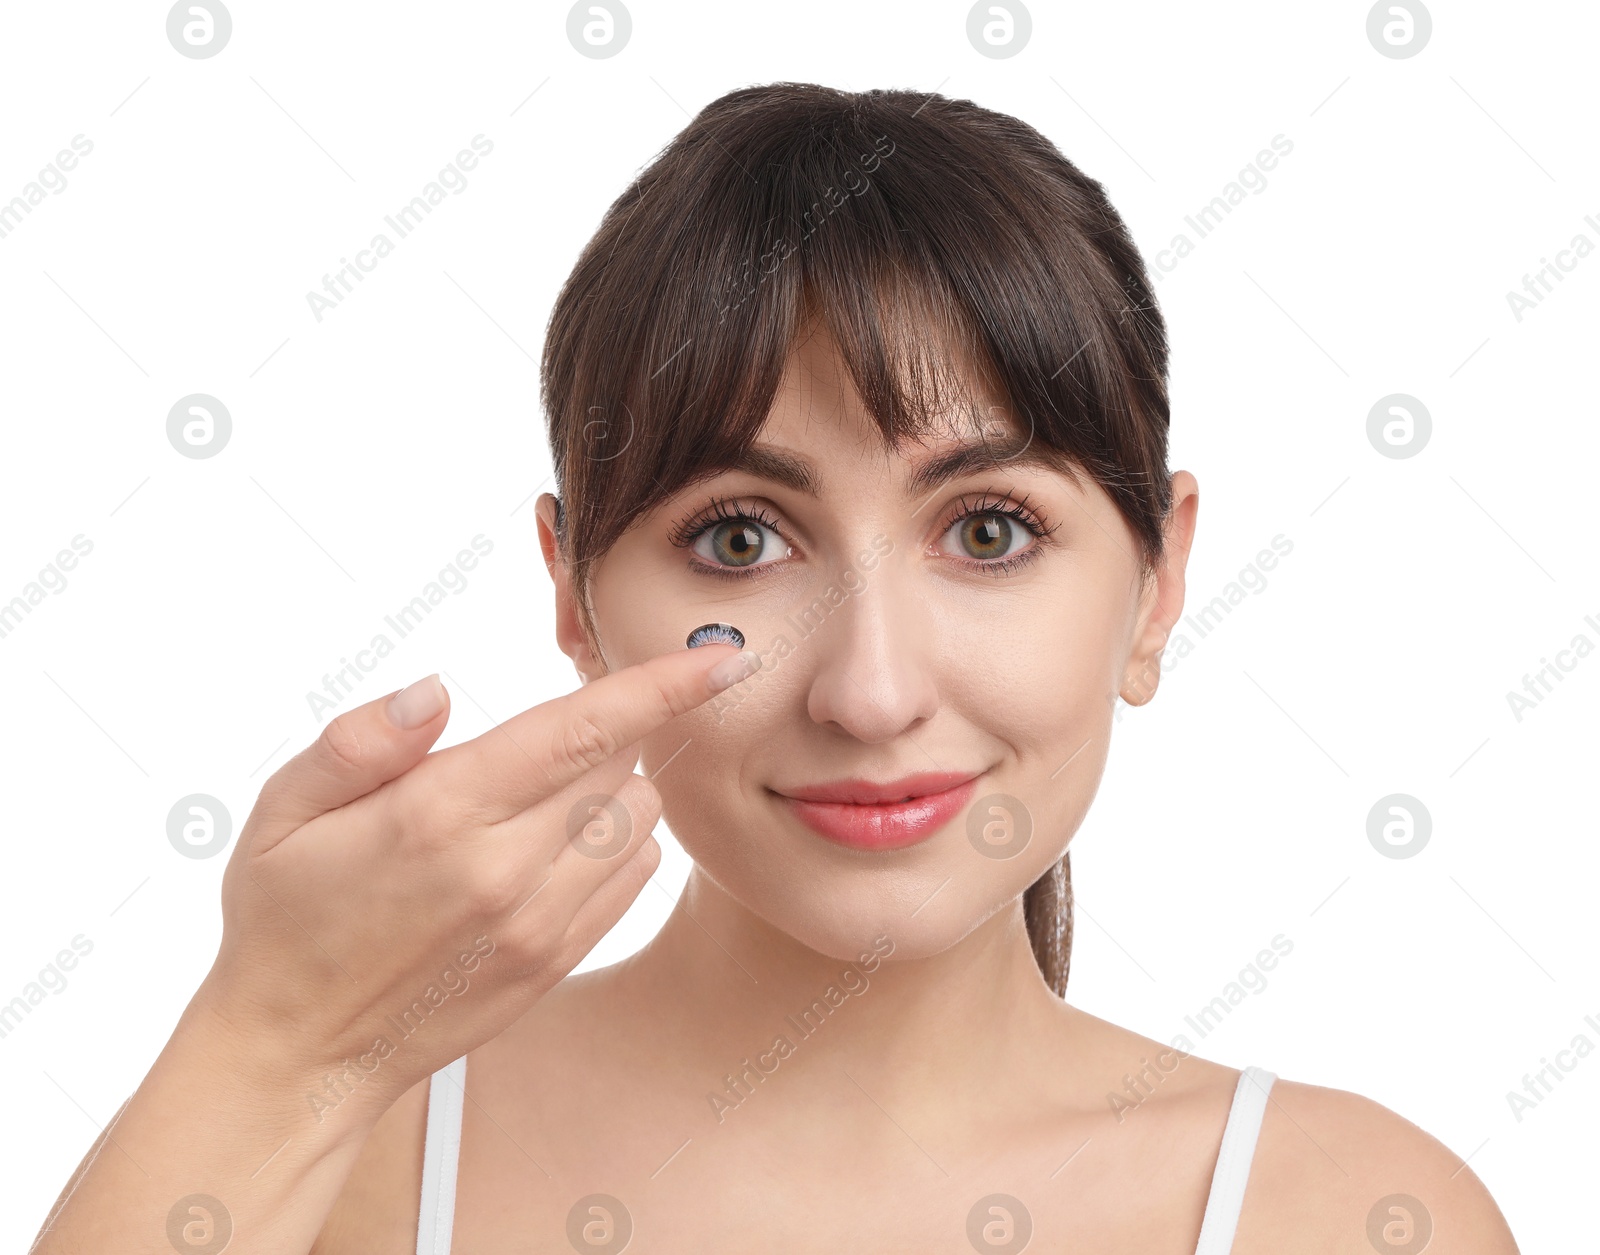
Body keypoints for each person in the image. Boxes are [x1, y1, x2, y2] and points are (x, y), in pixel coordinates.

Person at [34, 82, 1518, 1254]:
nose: (868, 692)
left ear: (1158, 584)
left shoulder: (1343, 1218)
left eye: (990, 530)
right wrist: (266, 1043)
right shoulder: (334, 1163)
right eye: (739, 540)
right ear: (573, 592)